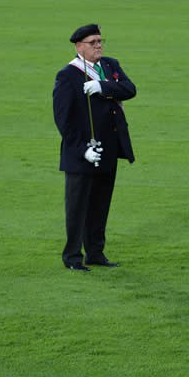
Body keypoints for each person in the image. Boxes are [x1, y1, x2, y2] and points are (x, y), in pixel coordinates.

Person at [53, 24, 136, 272]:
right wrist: (82, 150)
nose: (98, 46)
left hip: (108, 149)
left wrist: (103, 86)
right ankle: (72, 257)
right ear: (79, 46)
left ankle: (96, 253)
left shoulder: (110, 66)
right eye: (93, 42)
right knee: (78, 208)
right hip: (83, 153)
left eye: (100, 41)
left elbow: (130, 89)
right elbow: (64, 120)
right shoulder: (68, 75)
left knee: (100, 204)